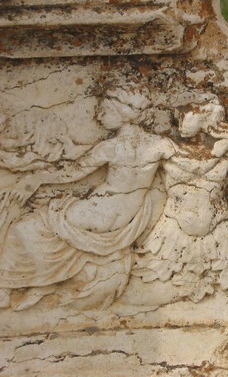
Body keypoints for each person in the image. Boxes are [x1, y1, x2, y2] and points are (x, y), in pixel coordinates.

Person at [0, 84, 177, 310]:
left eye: (104, 111)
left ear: (121, 114)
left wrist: (35, 179)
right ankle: (41, 285)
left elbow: (73, 172)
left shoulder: (110, 148)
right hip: (126, 217)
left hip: (98, 212)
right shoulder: (160, 145)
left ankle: (8, 288)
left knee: (26, 227)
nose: (99, 117)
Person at [133, 93, 228, 302]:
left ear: (208, 119)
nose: (180, 117)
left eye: (188, 112)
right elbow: (138, 184)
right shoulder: (166, 149)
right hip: (171, 235)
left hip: (220, 238)